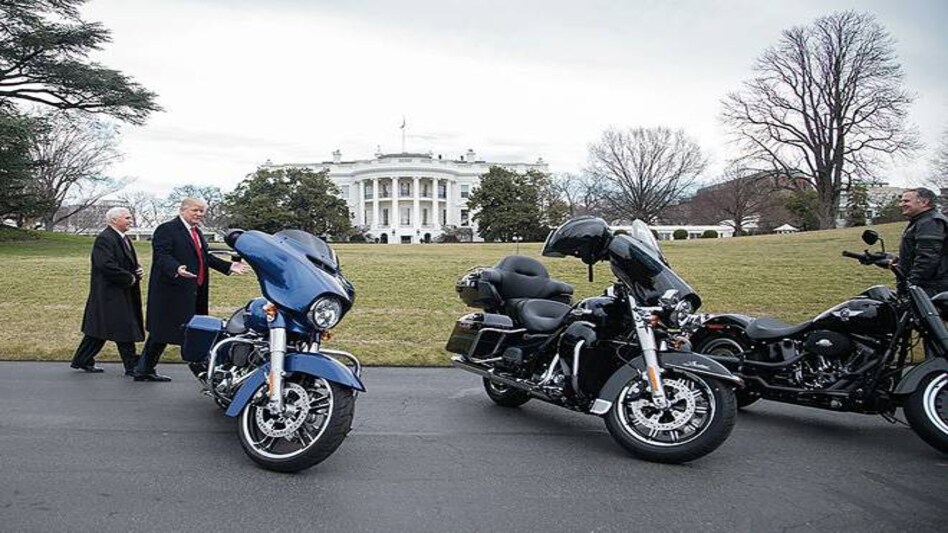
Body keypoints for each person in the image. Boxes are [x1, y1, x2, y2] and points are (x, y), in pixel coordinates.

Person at [133, 198, 248, 382]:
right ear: (183, 209)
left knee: (190, 330)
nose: (199, 214)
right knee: (164, 333)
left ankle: (144, 369)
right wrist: (176, 269)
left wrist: (229, 267)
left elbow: (204, 258)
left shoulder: (197, 233)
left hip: (194, 291)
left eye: (202, 211)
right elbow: (162, 255)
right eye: (196, 210)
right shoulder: (167, 229)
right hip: (172, 291)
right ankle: (202, 372)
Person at [70, 207, 144, 374]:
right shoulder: (105, 239)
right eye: (127, 218)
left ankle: (82, 359)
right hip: (109, 292)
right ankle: (131, 365)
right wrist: (129, 278)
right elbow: (105, 265)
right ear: (114, 220)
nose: (130, 220)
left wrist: (137, 270)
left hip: (120, 291)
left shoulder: (123, 238)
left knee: (100, 328)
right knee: (123, 326)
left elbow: (125, 262)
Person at [896, 187, 948, 296]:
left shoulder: (930, 222)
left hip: (931, 288)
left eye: (906, 201)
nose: (901, 204)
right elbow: (914, 255)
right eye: (901, 201)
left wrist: (911, 283)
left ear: (924, 202)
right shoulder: (921, 221)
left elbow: (927, 257)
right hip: (928, 286)